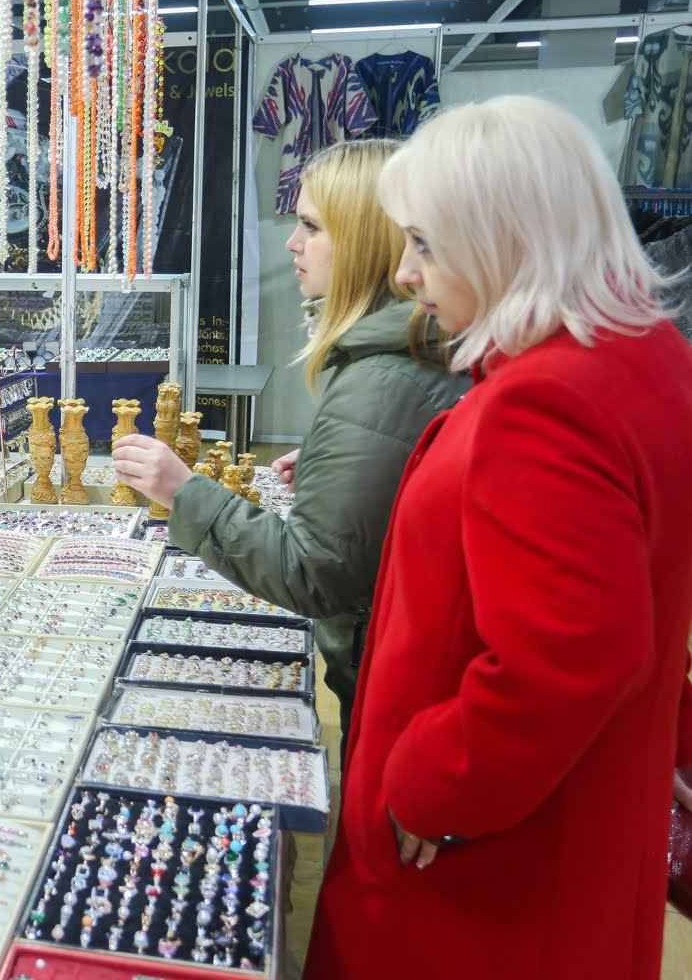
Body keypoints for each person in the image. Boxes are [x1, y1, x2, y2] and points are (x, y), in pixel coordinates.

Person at [303, 96, 692, 980]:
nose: (405, 273)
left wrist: (428, 782)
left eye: (425, 244)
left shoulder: (544, 400)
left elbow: (572, 655)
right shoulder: (646, 356)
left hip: (483, 879)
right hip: (578, 834)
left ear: (502, 236)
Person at [111, 139, 468, 740]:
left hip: (392, 686)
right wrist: (342, 468)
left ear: (364, 240)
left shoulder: (379, 380)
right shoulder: (405, 355)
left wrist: (185, 491)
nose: (292, 244)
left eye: (311, 226)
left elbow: (313, 572)